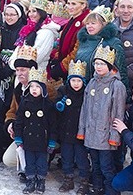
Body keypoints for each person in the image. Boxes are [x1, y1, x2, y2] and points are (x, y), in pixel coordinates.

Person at [77, 44, 126, 195]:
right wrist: (82, 130)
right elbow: (85, 110)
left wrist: (114, 136)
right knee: (96, 165)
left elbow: (118, 112)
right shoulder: (91, 83)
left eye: (102, 64)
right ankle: (97, 189)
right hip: (91, 134)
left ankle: (111, 191)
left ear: (110, 65)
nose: (98, 67)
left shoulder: (116, 85)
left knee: (107, 166)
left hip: (105, 136)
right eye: (96, 63)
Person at [13, 67, 55, 194]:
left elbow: (53, 125)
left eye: (37, 87)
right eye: (32, 87)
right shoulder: (24, 102)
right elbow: (19, 121)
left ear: (43, 89)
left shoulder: (48, 105)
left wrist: (52, 140)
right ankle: (30, 179)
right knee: (29, 161)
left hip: (42, 140)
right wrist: (18, 137)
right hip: (28, 140)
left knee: (42, 161)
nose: (34, 89)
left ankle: (40, 180)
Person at [54, 61, 90, 194]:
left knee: (81, 159)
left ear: (83, 82)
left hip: (80, 134)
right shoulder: (63, 91)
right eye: (73, 80)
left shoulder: (86, 95)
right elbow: (56, 109)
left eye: (78, 81)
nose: (76, 83)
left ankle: (84, 181)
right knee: (66, 158)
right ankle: (68, 179)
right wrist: (59, 105)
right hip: (66, 133)